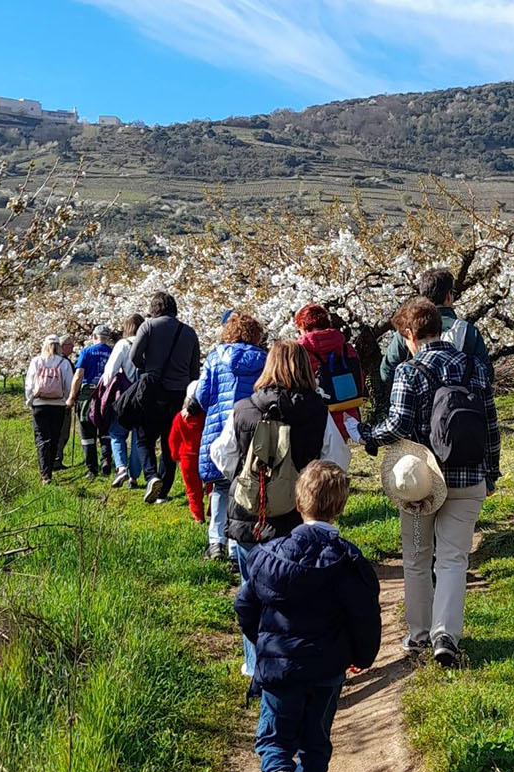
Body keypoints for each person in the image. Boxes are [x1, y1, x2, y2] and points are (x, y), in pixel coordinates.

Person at [235, 461, 381, 772]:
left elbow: (245, 604)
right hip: (327, 670)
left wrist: (262, 641)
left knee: (274, 740)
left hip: (281, 669)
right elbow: (364, 615)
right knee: (315, 739)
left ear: (298, 503)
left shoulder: (269, 556)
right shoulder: (349, 560)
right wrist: (361, 655)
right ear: (341, 508)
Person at [364, 298, 500, 668]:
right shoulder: (473, 367)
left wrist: (369, 435)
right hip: (469, 475)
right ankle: (447, 637)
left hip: (421, 484)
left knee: (418, 559)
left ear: (410, 334)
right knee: (454, 560)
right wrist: (492, 472)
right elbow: (490, 425)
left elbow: (398, 426)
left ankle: (419, 636)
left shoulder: (410, 371)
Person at [210, 339, 350, 678]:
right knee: (298, 594)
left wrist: (245, 476)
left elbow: (222, 453)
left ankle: (257, 665)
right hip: (297, 520)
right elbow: (338, 459)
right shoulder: (317, 411)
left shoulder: (243, 408)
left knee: (252, 592)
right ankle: (295, 662)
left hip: (250, 518)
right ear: (305, 368)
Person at [188, 313, 268, 560]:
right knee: (245, 484)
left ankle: (216, 542)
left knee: (221, 487)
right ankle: (238, 547)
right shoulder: (264, 359)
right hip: (250, 429)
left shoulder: (215, 357)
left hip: (219, 427)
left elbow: (202, 396)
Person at [131, 293, 201, 505]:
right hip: (178, 393)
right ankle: (163, 490)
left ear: (153, 308)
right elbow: (194, 370)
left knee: (144, 437)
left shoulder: (148, 326)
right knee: (171, 441)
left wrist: (147, 370)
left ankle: (151, 475)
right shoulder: (189, 332)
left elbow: (134, 356)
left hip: (153, 390)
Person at [378, 268, 492, 388]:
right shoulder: (468, 332)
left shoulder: (410, 330)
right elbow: (487, 374)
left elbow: (387, 372)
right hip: (462, 402)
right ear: (448, 296)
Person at [294, 303, 365, 442]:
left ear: (303, 326)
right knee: (339, 461)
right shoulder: (346, 347)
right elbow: (360, 382)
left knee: (316, 463)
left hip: (315, 419)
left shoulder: (300, 352)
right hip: (346, 415)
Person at [23, 335, 74, 485]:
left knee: (41, 438)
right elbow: (68, 384)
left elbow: (29, 383)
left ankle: (45, 474)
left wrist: (30, 400)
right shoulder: (64, 363)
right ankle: (50, 470)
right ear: (59, 346)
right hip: (57, 405)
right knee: (54, 437)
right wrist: (65, 400)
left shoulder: (36, 362)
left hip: (39, 405)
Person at [65, 324, 115, 479]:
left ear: (94, 337)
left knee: (87, 430)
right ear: (108, 338)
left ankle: (91, 469)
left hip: (88, 393)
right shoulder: (113, 352)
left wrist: (72, 397)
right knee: (105, 428)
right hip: (107, 393)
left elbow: (79, 375)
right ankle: (106, 458)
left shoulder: (87, 351)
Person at [103, 314, 145, 489]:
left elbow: (109, 373)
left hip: (124, 397)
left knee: (117, 433)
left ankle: (121, 468)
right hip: (143, 396)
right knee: (138, 437)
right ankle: (134, 478)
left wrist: (107, 387)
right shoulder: (149, 344)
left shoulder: (123, 344)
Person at [169, 380, 207, 523]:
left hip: (187, 458)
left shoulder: (179, 418)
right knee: (211, 484)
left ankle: (198, 516)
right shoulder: (206, 416)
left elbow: (174, 439)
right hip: (205, 454)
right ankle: (213, 509)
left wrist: (175, 455)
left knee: (193, 489)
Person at [52, 334, 77, 469]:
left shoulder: (49, 360)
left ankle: (52, 459)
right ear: (62, 346)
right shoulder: (65, 363)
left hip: (49, 401)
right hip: (63, 401)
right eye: (70, 345)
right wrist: (72, 398)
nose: (72, 348)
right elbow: (71, 383)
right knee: (62, 432)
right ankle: (56, 460)